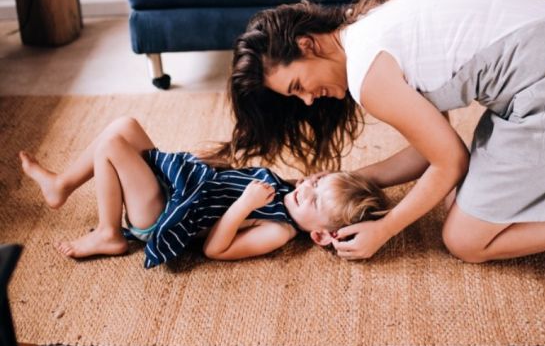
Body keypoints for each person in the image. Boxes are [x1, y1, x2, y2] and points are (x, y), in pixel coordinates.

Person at [219, 0, 545, 280]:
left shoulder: (367, 74)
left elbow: (450, 161)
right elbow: (429, 152)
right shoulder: (368, 27)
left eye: (298, 85)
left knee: (465, 238)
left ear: (307, 44)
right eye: (294, 98)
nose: (306, 99)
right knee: (460, 198)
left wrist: (385, 228)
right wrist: (346, 180)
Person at [19, 117, 387, 268]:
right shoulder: (284, 191)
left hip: (164, 214)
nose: (307, 188)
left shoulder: (278, 230)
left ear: (320, 234)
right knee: (124, 126)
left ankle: (109, 233)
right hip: (179, 188)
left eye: (317, 200)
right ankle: (62, 185)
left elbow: (215, 249)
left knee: (112, 146)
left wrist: (244, 206)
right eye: (316, 182)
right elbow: (237, 181)